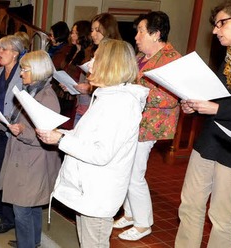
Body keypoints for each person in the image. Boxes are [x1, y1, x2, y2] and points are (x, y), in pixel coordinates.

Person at [37, 39, 149, 248]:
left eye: (96, 58)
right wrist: (59, 132)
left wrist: (60, 139)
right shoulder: (107, 97)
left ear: (110, 64)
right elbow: (87, 138)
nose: (91, 63)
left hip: (99, 194)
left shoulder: (121, 103)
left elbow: (101, 153)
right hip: (89, 189)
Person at [175, 0, 231, 246]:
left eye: (222, 23)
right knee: (190, 204)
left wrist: (216, 107)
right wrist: (196, 106)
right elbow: (220, 98)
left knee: (221, 216)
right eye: (215, 24)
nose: (215, 30)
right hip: (211, 140)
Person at [112, 11, 182, 241]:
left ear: (156, 34)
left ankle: (144, 223)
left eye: (141, 31)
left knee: (134, 174)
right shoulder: (141, 56)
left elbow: (172, 98)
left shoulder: (171, 59)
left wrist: (136, 92)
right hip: (133, 121)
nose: (137, 36)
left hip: (151, 125)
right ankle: (131, 214)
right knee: (127, 169)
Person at [0, 50, 61, 248]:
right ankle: (32, 242)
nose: (21, 73)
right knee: (31, 205)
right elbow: (21, 119)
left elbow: (46, 134)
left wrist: (22, 131)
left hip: (34, 160)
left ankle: (26, 245)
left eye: (24, 69)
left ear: (37, 70)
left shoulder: (47, 97)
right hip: (25, 157)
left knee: (22, 208)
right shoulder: (32, 90)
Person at [0, 35, 25, 234]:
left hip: (11, 131)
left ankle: (8, 219)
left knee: (7, 177)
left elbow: (23, 104)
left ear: (16, 52)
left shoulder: (23, 74)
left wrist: (5, 118)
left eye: (4, 49)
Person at [72, 13, 122, 125]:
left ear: (108, 30)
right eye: (92, 30)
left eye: (97, 30)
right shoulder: (94, 49)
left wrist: (90, 87)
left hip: (105, 109)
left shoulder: (116, 52)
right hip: (90, 105)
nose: (93, 34)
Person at [58, 20, 93, 129]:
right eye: (72, 32)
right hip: (63, 94)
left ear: (83, 35)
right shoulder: (71, 50)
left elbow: (83, 77)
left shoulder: (87, 55)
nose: (72, 35)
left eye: (75, 33)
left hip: (76, 98)